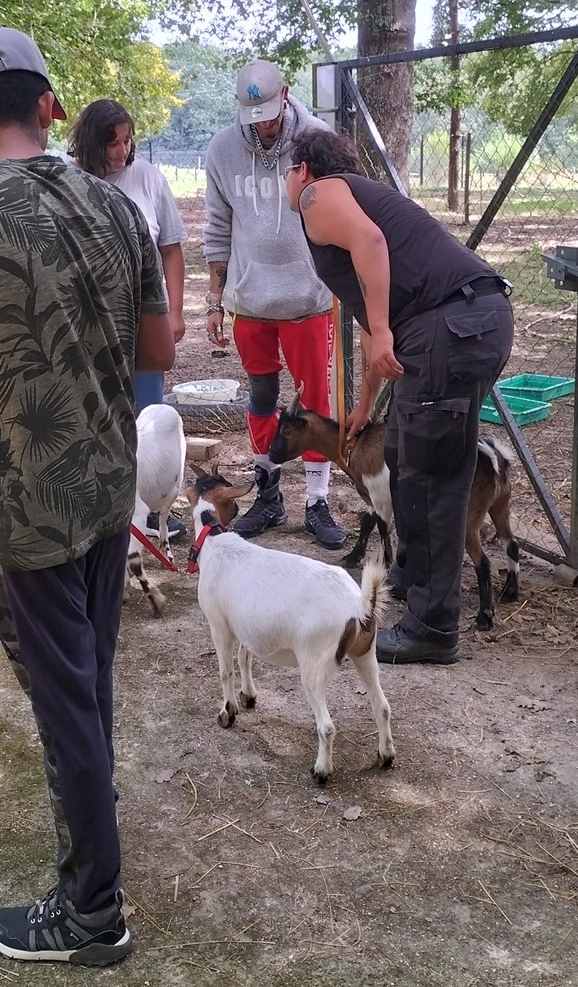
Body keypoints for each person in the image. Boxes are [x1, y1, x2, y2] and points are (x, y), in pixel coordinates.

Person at [0, 28, 172, 966]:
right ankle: (94, 816)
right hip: (104, 483)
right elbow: (157, 358)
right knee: (87, 678)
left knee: (62, 698)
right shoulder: (117, 204)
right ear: (50, 106)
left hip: (25, 504)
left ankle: (92, 911)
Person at [284, 128, 514, 664]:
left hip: (451, 327)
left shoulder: (319, 195)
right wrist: (366, 401)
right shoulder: (349, 201)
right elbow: (369, 307)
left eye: (287, 174)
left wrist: (386, 331)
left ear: (302, 169)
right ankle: (410, 577)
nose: (286, 184)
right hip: (459, 325)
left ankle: (432, 628)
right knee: (401, 452)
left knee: (433, 476)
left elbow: (372, 247)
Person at [202, 59, 346, 550]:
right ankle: (268, 493)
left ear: (286, 93)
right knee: (261, 397)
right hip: (252, 300)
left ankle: (317, 501)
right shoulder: (222, 150)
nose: (261, 122)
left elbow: (340, 212)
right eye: (251, 114)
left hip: (309, 299)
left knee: (315, 404)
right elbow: (218, 227)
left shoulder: (315, 139)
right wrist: (214, 302)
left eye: (267, 111)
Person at [68, 99, 187, 540]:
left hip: (142, 323)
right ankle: (95, 510)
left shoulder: (148, 179)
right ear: (88, 143)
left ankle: (152, 513)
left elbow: (171, 247)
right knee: (90, 414)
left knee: (146, 419)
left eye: (126, 140)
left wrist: (173, 312)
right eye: (111, 143)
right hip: (84, 326)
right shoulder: (67, 177)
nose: (121, 151)